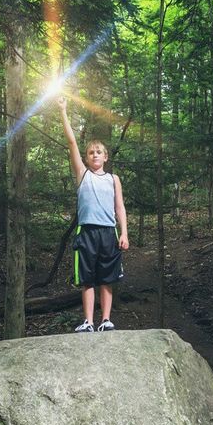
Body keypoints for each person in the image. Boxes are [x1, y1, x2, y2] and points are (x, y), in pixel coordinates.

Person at [58, 95, 128, 332]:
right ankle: (88, 321)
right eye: (91, 152)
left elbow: (119, 207)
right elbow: (71, 143)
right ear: (86, 158)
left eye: (99, 152)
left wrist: (124, 234)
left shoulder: (113, 179)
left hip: (108, 232)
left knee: (107, 279)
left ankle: (105, 319)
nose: (95, 155)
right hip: (86, 232)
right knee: (87, 279)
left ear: (106, 157)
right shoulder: (82, 175)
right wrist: (63, 111)